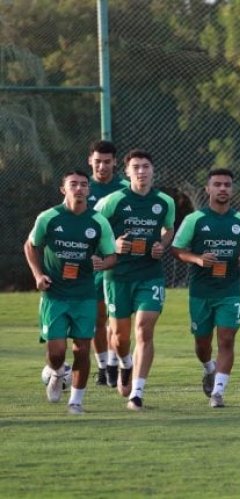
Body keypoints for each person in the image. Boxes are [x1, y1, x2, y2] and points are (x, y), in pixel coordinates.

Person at [24, 170, 116, 414]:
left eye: (83, 185)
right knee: (56, 352)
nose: (79, 188)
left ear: (88, 190)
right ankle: (56, 372)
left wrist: (102, 263)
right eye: (73, 184)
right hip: (55, 294)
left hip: (85, 294)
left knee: (82, 348)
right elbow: (31, 245)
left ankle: (76, 401)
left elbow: (112, 256)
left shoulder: (98, 222)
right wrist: (38, 275)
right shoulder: (49, 218)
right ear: (63, 189)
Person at [95, 149, 176, 410]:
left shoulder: (164, 201)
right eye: (136, 167)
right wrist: (112, 244)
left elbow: (168, 228)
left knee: (144, 328)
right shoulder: (114, 200)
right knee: (119, 337)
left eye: (145, 167)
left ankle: (137, 393)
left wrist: (162, 244)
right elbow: (92, 225)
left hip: (149, 275)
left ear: (153, 171)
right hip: (118, 276)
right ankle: (125, 363)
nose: (141, 171)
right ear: (127, 172)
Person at [171, 169, 240, 408]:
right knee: (202, 344)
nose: (222, 189)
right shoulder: (195, 220)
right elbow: (177, 249)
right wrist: (197, 259)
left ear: (232, 189)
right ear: (207, 189)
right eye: (217, 184)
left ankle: (218, 392)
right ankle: (209, 368)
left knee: (227, 339)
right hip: (201, 291)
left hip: (229, 290)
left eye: (227, 185)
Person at [85, 140, 128, 387]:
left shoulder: (124, 189)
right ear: (90, 160)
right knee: (96, 321)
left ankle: (114, 363)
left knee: (114, 320)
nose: (102, 166)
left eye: (107, 161)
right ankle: (103, 367)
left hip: (117, 265)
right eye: (98, 161)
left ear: (115, 162)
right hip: (88, 264)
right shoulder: (82, 187)